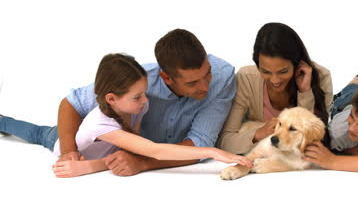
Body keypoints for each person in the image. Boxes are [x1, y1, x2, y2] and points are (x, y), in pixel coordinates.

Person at [0, 53, 251, 177]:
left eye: (145, 93)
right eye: (137, 97)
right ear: (112, 99)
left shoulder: (138, 104)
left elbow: (138, 146)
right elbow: (156, 150)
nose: (146, 101)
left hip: (110, 144)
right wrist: (213, 152)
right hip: (70, 141)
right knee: (37, 133)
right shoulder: (100, 124)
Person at [39, 28, 235, 176]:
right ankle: (6, 121)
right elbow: (72, 103)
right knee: (40, 133)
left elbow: (200, 142)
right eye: (192, 83)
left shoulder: (222, 75)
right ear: (166, 77)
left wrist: (141, 162)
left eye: (207, 73)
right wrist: (68, 151)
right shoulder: (137, 84)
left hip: (112, 144)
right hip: (83, 138)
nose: (205, 87)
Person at [217, 22, 333, 154]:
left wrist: (305, 92)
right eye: (265, 72)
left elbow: (315, 143)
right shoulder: (246, 78)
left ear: (296, 65)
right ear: (257, 65)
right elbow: (225, 141)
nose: (275, 80)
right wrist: (259, 134)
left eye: (283, 71)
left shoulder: (320, 76)